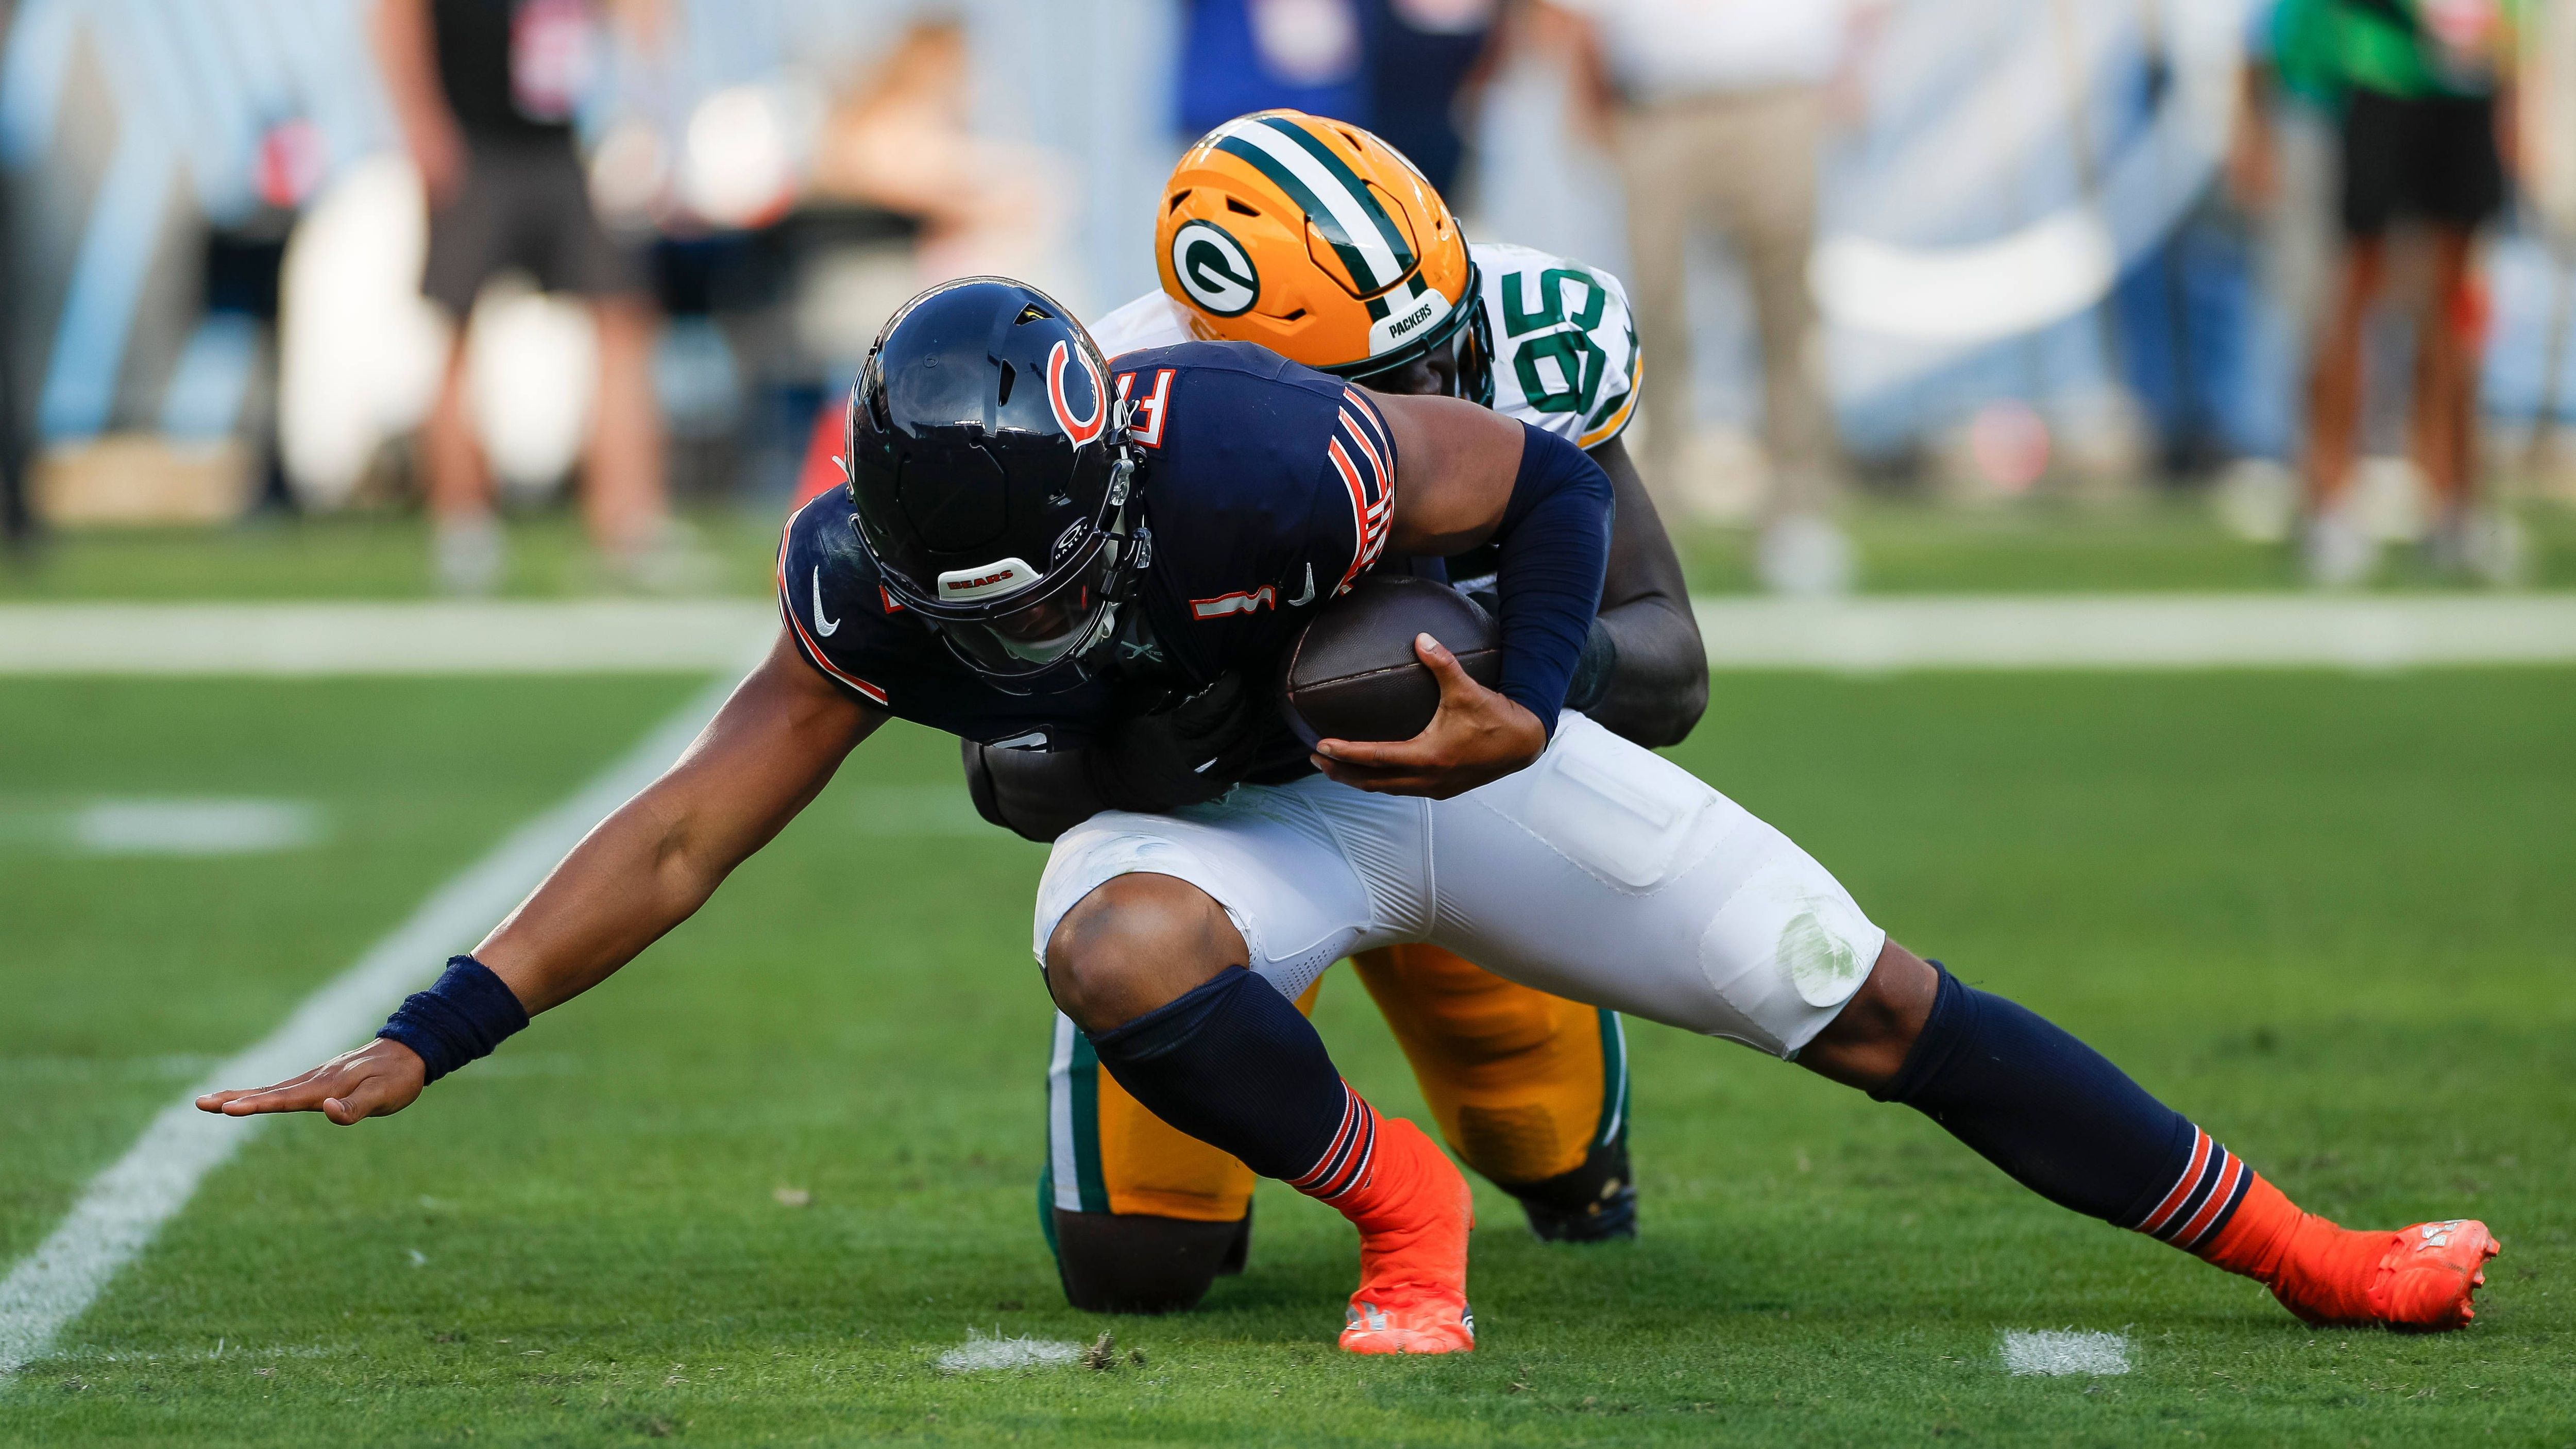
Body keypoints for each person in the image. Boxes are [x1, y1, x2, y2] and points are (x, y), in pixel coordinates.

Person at [201, 275, 2498, 1356]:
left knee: (1860, 994)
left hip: (1424, 763)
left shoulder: (1243, 440)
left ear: (1119, 474)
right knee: (1093, 944)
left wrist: (1516, 692)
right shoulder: (863, 592)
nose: (1031, 621)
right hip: (1228, 848)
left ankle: (2308, 1251)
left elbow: (1553, 472)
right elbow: (690, 827)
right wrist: (443, 1020)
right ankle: (1401, 1214)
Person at [978, 111, 1697, 1312]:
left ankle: (1563, 1126)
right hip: (1226, 827)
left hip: (1471, 788)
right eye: (1372, 384)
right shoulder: (1113, 420)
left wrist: (1521, 670)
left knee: (1555, 1151)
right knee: (1137, 1263)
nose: (1426, 397)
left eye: (1436, 350)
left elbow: (1673, 663)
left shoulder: (1536, 335)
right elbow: (1002, 763)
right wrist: (1152, 749)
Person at [1548, 0, 1867, 593]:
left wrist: (1849, 61)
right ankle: (1656, 512)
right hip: (1656, 101)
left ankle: (1797, 510)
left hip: (1778, 90)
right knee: (1651, 316)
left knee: (1786, 315)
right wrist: (1585, 84)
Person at [371, 0, 675, 593]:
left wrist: (643, 109)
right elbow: (396, 16)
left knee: (623, 320)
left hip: (566, 143)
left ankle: (627, 521)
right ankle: (462, 521)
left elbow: (642, 18)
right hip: (473, 138)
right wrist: (421, 121)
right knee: (455, 330)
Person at [2243, 0, 2525, 584]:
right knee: (2350, 294)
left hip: (2469, 84)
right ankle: (2331, 502)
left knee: (2456, 302)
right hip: (2378, 76)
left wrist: (2504, 54)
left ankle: (2455, 508)